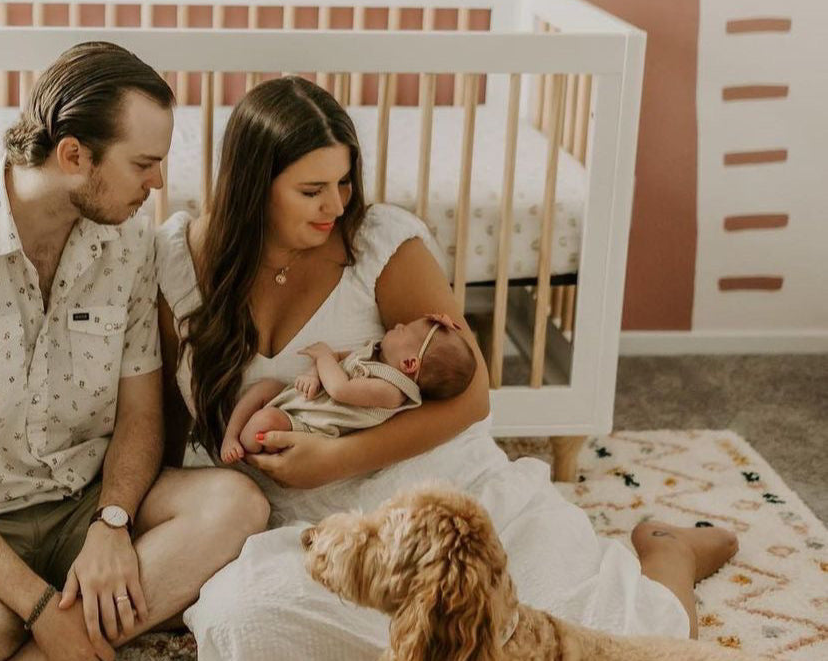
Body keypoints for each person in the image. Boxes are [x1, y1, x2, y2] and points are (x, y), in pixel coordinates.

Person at [155, 76, 737, 661]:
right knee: (249, 626)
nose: (336, 205)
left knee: (609, 635)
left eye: (344, 181)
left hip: (426, 495)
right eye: (312, 190)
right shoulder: (180, 263)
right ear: (253, 187)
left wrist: (336, 459)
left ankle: (669, 554)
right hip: (295, 528)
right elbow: (167, 416)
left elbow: (471, 396)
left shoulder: (378, 244)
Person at [0, 42, 269, 661]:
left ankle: (40, 645)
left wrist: (114, 524)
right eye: (143, 164)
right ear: (74, 155)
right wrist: (38, 606)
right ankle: (79, 622)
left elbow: (139, 416)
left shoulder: (128, 241)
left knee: (238, 506)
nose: (159, 184)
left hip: (89, 500)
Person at [220, 313, 475, 463]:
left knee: (264, 419)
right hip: (304, 401)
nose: (398, 325)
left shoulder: (391, 392)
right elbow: (337, 360)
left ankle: (246, 446)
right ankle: (230, 437)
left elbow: (340, 389)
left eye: (404, 330)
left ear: (409, 363)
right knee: (265, 387)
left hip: (311, 427)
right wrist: (313, 374)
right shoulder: (374, 354)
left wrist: (321, 357)